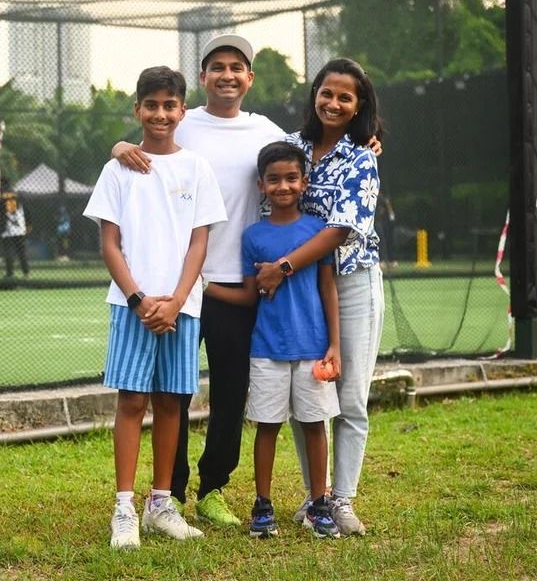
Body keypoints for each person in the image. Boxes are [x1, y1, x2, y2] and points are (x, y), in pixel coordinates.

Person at [112, 35, 382, 526]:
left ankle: (213, 488)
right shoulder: (180, 120)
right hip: (177, 289)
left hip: (238, 286)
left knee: (232, 395)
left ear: (250, 77)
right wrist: (121, 145)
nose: (228, 75)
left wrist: (366, 140)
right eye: (218, 67)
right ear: (203, 77)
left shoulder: (267, 131)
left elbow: (303, 159)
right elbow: (139, 144)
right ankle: (165, 494)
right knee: (169, 393)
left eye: (237, 67)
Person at [84, 66, 227, 550]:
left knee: (172, 403)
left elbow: (198, 244)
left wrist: (178, 299)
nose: (161, 114)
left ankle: (160, 504)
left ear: (182, 110)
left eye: (170, 105)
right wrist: (140, 299)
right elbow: (110, 244)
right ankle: (124, 507)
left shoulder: (197, 168)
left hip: (182, 310)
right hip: (133, 308)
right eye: (152, 105)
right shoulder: (118, 168)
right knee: (132, 402)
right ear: (138, 110)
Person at [255, 58, 385, 537]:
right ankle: (316, 500)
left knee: (349, 396)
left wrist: (284, 265)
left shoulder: (361, 157)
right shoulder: (291, 146)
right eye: (326, 93)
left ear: (359, 106)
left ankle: (341, 500)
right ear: (315, 94)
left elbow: (342, 229)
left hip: (349, 283)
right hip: (299, 290)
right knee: (303, 391)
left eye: (345, 97)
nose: (333, 103)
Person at [205, 142, 342, 539]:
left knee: (315, 426)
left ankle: (320, 504)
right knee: (267, 427)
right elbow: (249, 295)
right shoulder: (253, 236)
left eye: (291, 178)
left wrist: (334, 345)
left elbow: (328, 289)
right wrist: (204, 287)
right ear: (261, 186)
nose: (283, 186)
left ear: (304, 182)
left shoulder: (318, 233)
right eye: (274, 179)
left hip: (313, 348)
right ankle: (262, 506)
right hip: (266, 350)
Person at [0, 177, 30, 278]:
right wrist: (28, 223)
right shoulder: (18, 194)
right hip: (19, 226)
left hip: (7, 227)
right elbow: (25, 209)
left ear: (1, 184)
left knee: (8, 250)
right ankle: (26, 272)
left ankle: (10, 273)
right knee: (21, 250)